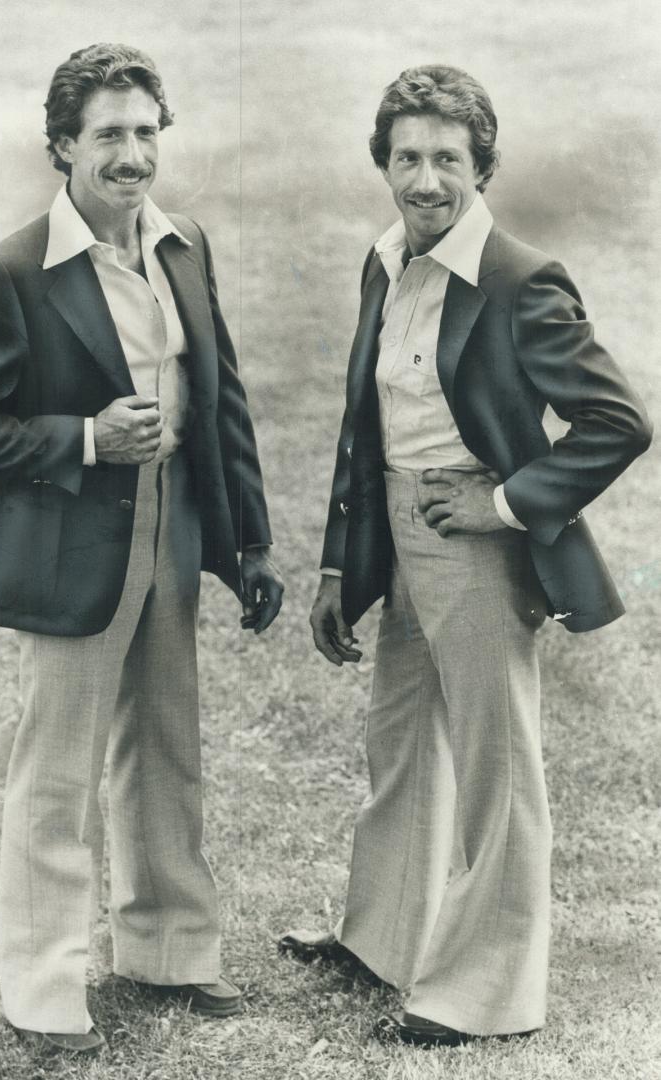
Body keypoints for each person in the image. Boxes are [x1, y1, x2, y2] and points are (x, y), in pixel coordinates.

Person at [280, 64, 651, 1047]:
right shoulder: (383, 258)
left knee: (496, 766)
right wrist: (335, 568)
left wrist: (505, 503)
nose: (425, 179)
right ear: (383, 163)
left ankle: (485, 992)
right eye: (407, 156)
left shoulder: (521, 280)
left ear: (481, 167)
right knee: (398, 739)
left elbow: (617, 422)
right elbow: (366, 429)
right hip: (396, 536)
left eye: (448, 158)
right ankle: (379, 939)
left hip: (475, 547)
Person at [0, 43, 283, 1055]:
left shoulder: (182, 245)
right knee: (57, 770)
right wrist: (82, 439)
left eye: (144, 132)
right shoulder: (10, 272)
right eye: (108, 136)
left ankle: (167, 950)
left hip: (173, 529)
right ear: (61, 149)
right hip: (73, 542)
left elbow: (225, 405)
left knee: (166, 745)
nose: (131, 155)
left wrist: (246, 540)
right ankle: (40, 989)